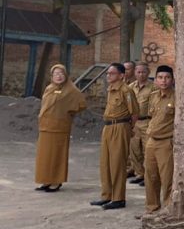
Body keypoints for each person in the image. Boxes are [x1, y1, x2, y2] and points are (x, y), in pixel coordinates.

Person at [90, 63, 139, 210]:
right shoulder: (111, 89)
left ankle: (118, 198)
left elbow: (134, 113)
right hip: (108, 126)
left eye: (112, 73)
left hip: (120, 126)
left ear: (121, 75)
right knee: (105, 163)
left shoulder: (126, 90)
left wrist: (128, 129)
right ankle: (107, 195)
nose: (108, 76)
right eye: (107, 73)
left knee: (117, 163)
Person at [34, 63, 86, 192]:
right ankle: (46, 180)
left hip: (60, 128)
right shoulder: (49, 88)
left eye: (61, 73)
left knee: (57, 155)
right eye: (56, 74)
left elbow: (81, 104)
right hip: (45, 127)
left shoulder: (71, 90)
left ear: (66, 75)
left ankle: (56, 181)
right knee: (44, 156)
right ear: (52, 76)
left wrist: (68, 113)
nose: (59, 76)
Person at [144, 66, 175, 213]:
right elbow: (152, 116)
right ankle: (152, 208)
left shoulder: (176, 97)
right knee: (150, 176)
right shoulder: (153, 96)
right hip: (151, 141)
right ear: (155, 80)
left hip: (166, 142)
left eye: (167, 77)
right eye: (160, 77)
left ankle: (168, 209)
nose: (164, 81)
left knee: (167, 177)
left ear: (172, 80)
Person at [127, 62, 153, 186]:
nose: (141, 74)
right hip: (134, 122)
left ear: (148, 72)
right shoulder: (131, 87)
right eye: (138, 72)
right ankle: (139, 173)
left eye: (143, 72)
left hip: (147, 121)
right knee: (134, 149)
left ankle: (148, 175)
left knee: (147, 150)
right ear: (135, 73)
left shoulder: (154, 87)